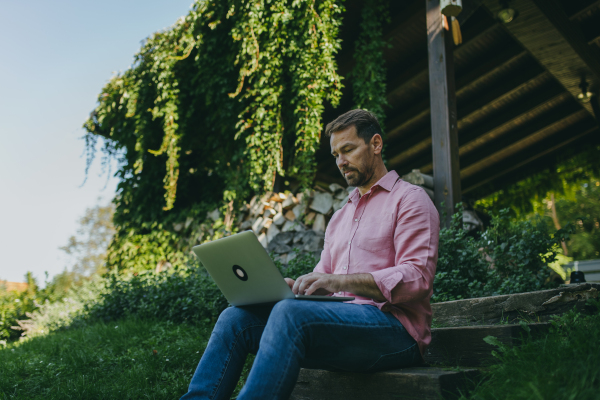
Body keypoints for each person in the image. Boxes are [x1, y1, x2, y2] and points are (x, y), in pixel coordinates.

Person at [180, 109, 440, 400]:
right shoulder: (340, 217)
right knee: (235, 318)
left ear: (376, 144)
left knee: (289, 314)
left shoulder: (410, 199)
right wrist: (298, 289)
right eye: (335, 154)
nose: (341, 161)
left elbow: (417, 278)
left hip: (395, 333)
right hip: (343, 327)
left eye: (348, 149)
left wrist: (338, 282)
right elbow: (323, 283)